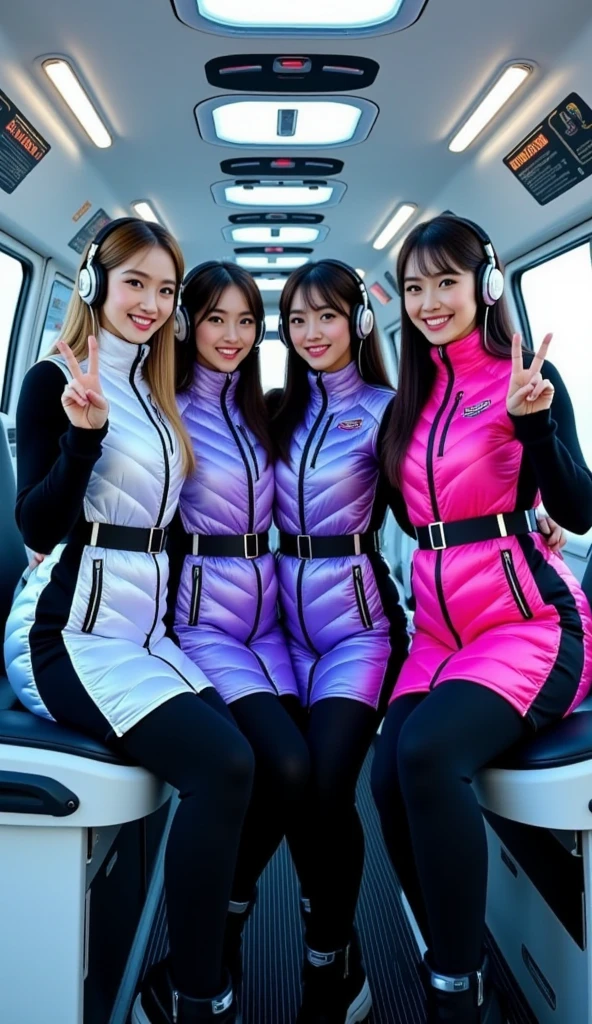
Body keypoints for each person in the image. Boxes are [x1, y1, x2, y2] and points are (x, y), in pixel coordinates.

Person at [3, 219, 254, 1024]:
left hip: (144, 636)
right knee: (221, 767)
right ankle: (193, 992)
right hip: (66, 635)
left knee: (248, 756)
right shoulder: (54, 379)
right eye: (135, 282)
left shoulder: (155, 387)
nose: (150, 302)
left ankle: (202, 947)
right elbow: (39, 529)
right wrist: (82, 442)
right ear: (92, 284)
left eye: (165, 289)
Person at [370, 214, 592, 1024]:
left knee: (427, 754)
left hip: (530, 625)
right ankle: (450, 955)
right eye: (415, 286)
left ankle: (453, 998)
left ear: (486, 285)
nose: (430, 301)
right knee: (385, 778)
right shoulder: (413, 399)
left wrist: (536, 428)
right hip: (439, 638)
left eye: (446, 282)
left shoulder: (525, 378)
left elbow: (578, 504)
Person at [271, 260, 410, 1024]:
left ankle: (330, 955)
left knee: (328, 786)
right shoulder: (274, 410)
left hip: (358, 629)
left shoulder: (391, 410)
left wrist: (528, 513)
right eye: (296, 319)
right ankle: (330, 925)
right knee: (293, 785)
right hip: (279, 634)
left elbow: (432, 504)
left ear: (358, 320)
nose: (312, 333)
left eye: (326, 315)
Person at [170, 261, 309, 988]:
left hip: (272, 628)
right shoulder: (165, 406)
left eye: (247, 321)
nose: (232, 335)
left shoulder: (268, 409)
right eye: (216, 318)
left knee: (302, 773)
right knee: (278, 764)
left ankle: (223, 918)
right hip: (203, 623)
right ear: (188, 322)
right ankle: (216, 925)